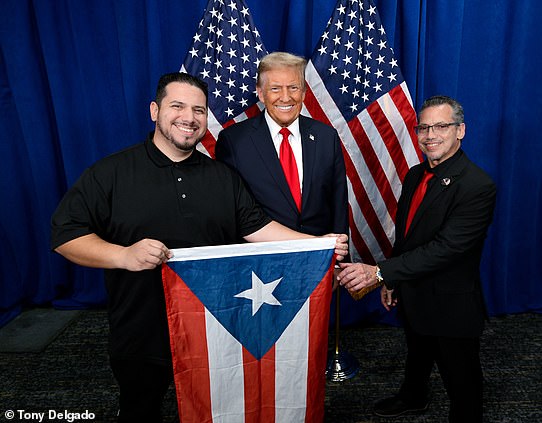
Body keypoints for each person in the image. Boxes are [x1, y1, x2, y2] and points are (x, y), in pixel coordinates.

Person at [50, 72, 348, 422]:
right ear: (154, 110)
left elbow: (258, 228)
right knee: (139, 409)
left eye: (199, 110)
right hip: (141, 333)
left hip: (215, 331)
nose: (188, 118)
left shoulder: (222, 177)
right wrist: (124, 255)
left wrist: (317, 244)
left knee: (216, 411)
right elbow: (66, 237)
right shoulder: (111, 173)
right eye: (177, 106)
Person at [337, 95, 496, 422]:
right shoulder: (414, 175)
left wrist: (380, 272)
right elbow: (408, 237)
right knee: (417, 353)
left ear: (460, 130)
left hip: (450, 302)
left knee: (462, 378)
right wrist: (393, 280)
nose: (430, 135)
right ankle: (414, 397)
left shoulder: (477, 185)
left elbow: (446, 248)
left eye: (441, 126)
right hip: (413, 290)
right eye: (423, 127)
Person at [215, 51, 348, 237]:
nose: (286, 98)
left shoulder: (326, 137)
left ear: (303, 93)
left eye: (293, 88)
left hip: (320, 258)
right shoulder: (233, 141)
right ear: (261, 94)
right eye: (275, 89)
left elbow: (338, 204)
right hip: (262, 261)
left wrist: (339, 260)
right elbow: (231, 211)